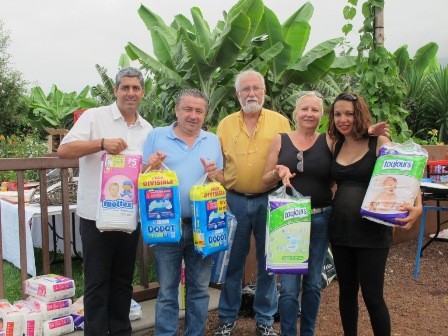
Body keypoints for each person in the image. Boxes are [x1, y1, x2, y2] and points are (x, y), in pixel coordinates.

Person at [57, 67, 152, 336]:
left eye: (136, 88)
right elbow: (64, 151)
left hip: (128, 216)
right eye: (125, 87)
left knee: (123, 281)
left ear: (142, 93)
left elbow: (140, 174)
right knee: (97, 282)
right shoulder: (94, 117)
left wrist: (151, 166)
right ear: (116, 90)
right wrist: (101, 143)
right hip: (95, 216)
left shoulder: (147, 129)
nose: (131, 93)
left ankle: (120, 331)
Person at [327, 92, 422, 336]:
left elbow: (406, 175)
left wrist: (418, 206)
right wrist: (364, 129)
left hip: (372, 231)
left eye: (349, 113)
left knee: (373, 297)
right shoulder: (335, 144)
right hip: (340, 231)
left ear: (359, 114)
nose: (343, 119)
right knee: (346, 293)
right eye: (338, 114)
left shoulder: (378, 143)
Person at [214, 69, 291, 336]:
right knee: (231, 262)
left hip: (268, 200)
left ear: (264, 91)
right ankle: (226, 318)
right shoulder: (224, 125)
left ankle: (265, 320)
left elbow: (289, 159)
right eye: (245, 89)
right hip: (233, 201)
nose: (251, 93)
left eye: (256, 88)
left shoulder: (280, 122)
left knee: (268, 262)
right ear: (237, 95)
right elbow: (219, 164)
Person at [142, 88, 224, 336]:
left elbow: (220, 180)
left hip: (203, 226)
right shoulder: (156, 136)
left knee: (199, 289)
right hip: (167, 225)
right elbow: (143, 176)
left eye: (199, 111)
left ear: (205, 114)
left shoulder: (213, 140)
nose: (193, 115)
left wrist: (214, 174)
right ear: (177, 110)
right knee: (167, 290)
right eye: (187, 109)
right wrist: (152, 165)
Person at [261, 91, 333, 336]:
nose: (309, 114)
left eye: (315, 110)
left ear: (321, 115)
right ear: (295, 113)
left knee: (313, 284)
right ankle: (288, 333)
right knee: (290, 287)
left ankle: (308, 332)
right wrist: (277, 172)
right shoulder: (280, 140)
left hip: (321, 218)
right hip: (288, 219)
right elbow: (263, 181)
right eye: (305, 109)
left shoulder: (329, 140)